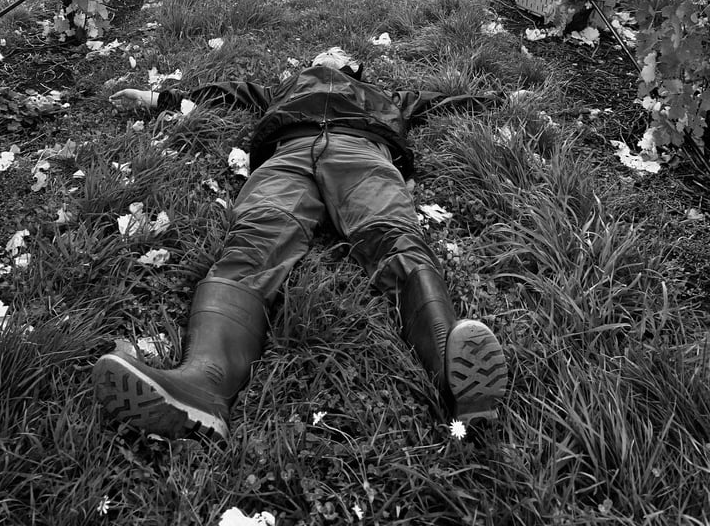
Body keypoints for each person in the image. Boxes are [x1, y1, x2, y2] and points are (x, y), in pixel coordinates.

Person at [92, 46, 508, 444]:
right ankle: (203, 383)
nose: (329, 53)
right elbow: (229, 93)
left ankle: (451, 365)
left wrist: (503, 99)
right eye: (324, 53)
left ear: (352, 65)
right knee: (254, 241)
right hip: (288, 154)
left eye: (338, 53)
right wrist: (156, 97)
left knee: (394, 235)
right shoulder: (289, 87)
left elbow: (440, 103)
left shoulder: (382, 96)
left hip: (361, 151)